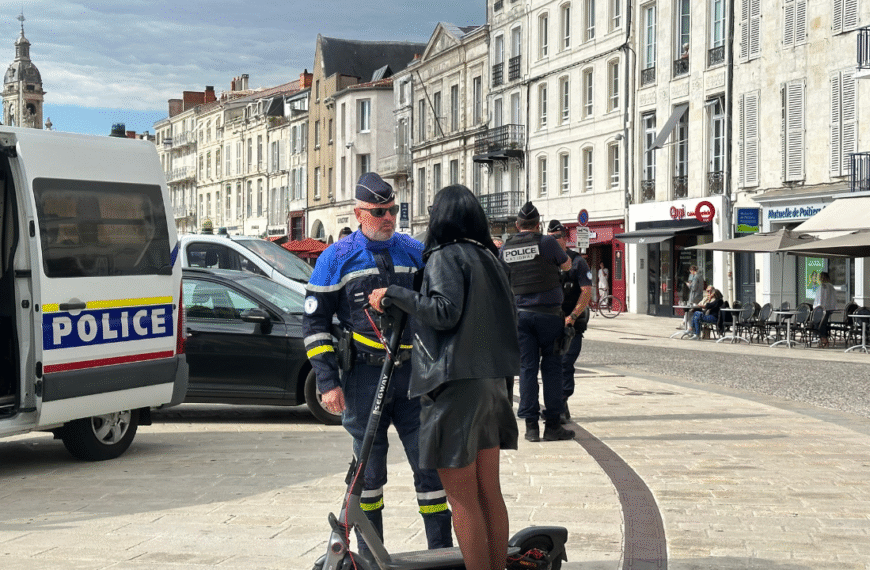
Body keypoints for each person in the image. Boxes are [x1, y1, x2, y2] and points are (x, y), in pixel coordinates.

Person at [302, 172, 452, 557]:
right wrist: (327, 381)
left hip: (412, 374)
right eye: (379, 211)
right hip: (363, 377)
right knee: (369, 474)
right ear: (359, 213)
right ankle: (371, 556)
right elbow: (315, 323)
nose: (388, 217)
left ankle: (441, 552)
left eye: (394, 210)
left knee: (429, 467)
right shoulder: (335, 257)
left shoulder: (413, 250)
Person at [370, 184, 519, 570]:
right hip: (494, 386)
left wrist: (394, 294)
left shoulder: (445, 256)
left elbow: (444, 312)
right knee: (490, 493)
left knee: (463, 500)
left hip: (456, 386)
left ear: (442, 217)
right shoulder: (492, 258)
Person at [500, 202, 574, 443]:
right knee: (552, 368)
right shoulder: (547, 242)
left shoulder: (507, 247)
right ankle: (552, 424)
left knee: (527, 369)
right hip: (549, 315)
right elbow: (566, 264)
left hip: (519, 315)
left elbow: (501, 277)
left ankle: (531, 427)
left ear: (517, 225)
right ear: (538, 224)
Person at [547, 220, 592, 425]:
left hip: (572, 323)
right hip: (550, 321)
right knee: (551, 365)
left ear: (566, 238)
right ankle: (558, 406)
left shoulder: (577, 262)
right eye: (550, 238)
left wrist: (573, 316)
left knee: (566, 363)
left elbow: (586, 292)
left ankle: (561, 402)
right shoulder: (546, 262)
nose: (554, 241)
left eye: (557, 237)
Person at [814, 271, 837, 348]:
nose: (820, 278)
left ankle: (823, 340)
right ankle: (823, 340)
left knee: (820, 324)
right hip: (828, 308)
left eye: (821, 277)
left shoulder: (823, 286)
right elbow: (833, 298)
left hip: (821, 309)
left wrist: (819, 307)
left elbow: (821, 298)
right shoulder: (831, 286)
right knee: (823, 324)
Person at [680, 265, 705, 329]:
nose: (691, 273)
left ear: (693, 270)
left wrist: (689, 285)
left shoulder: (696, 277)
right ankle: (685, 322)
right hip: (699, 295)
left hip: (694, 296)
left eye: (691, 272)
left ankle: (688, 326)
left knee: (690, 310)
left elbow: (693, 288)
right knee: (692, 311)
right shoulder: (701, 276)